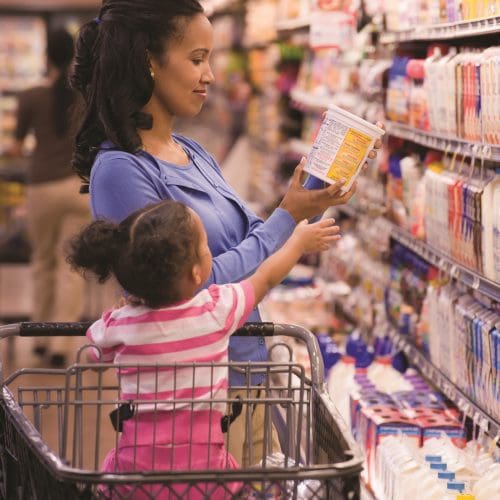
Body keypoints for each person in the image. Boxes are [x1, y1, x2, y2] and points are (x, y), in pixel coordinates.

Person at [70, 0, 382, 465]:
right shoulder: (121, 170)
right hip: (196, 409)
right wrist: (287, 219)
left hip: (247, 379)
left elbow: (250, 234)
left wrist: (306, 199)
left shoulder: (192, 152)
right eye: (197, 59)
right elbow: (190, 289)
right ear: (148, 62)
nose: (211, 75)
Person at [67, 198, 341, 498]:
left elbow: (93, 352)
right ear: (197, 273)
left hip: (134, 477)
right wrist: (297, 243)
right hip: (208, 477)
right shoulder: (214, 310)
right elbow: (265, 278)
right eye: (206, 246)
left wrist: (122, 310)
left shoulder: (120, 325)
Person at [10, 28, 90, 366]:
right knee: (70, 267)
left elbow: (15, 147)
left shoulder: (30, 97)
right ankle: (61, 344)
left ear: (46, 58)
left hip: (41, 187)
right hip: (77, 187)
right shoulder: (84, 96)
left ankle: (39, 338)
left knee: (42, 262)